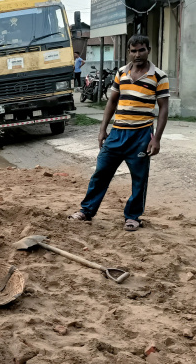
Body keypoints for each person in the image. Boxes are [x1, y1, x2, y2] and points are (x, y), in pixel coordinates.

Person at [67, 34, 169, 231]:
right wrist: (102, 129)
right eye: (133, 51)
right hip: (117, 133)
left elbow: (163, 108)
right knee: (101, 173)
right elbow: (112, 101)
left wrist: (156, 139)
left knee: (139, 178)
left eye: (141, 50)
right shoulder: (122, 72)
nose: (137, 54)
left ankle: (133, 216)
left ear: (149, 50)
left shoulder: (159, 76)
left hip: (141, 135)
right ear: (128, 52)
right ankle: (86, 211)